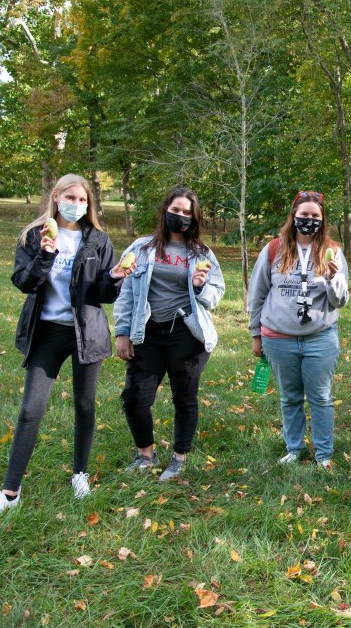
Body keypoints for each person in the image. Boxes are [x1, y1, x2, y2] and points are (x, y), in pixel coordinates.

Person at [0, 174, 131, 522]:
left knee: (84, 405)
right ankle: (9, 493)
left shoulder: (98, 240)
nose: (76, 205)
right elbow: (24, 282)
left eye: (82, 200)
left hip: (86, 333)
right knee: (31, 409)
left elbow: (102, 295)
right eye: (70, 197)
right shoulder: (36, 235)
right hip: (47, 332)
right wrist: (46, 256)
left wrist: (117, 277)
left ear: (88, 204)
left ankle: (80, 474)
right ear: (56, 197)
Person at [114, 187, 225, 481]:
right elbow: (125, 291)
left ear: (194, 218)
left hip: (186, 334)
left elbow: (215, 296)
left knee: (185, 397)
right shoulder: (141, 247)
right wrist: (122, 333)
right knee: (136, 396)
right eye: (175, 210)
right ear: (165, 210)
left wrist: (200, 286)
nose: (180, 216)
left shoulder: (201, 254)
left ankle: (179, 457)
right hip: (147, 332)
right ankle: (146, 454)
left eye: (187, 212)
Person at [248, 191, 349, 469]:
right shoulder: (274, 250)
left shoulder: (333, 252)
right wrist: (255, 334)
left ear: (322, 219)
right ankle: (295, 449)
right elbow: (257, 294)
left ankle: (323, 455)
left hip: (320, 338)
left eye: (315, 216)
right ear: (293, 217)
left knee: (321, 397)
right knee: (290, 397)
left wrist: (332, 278)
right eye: (304, 215)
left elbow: (340, 300)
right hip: (279, 339)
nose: (309, 220)